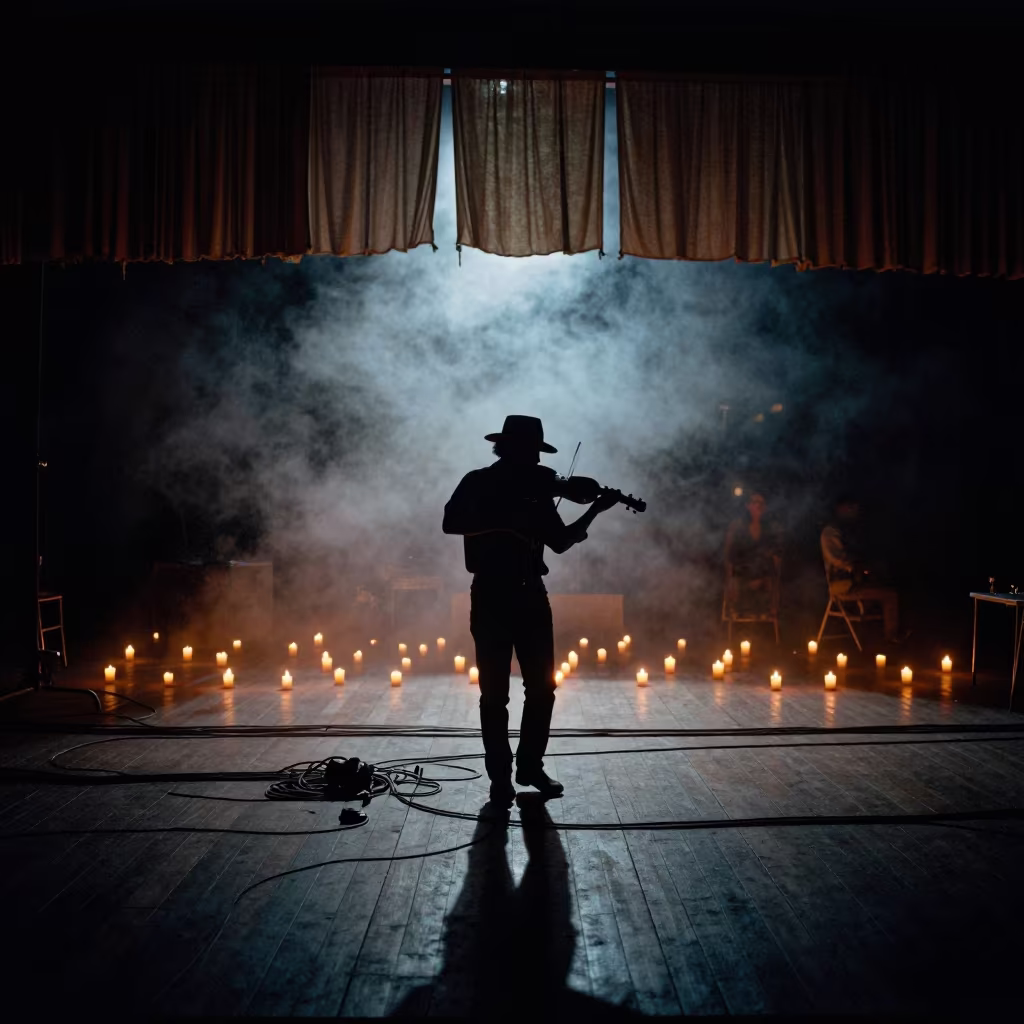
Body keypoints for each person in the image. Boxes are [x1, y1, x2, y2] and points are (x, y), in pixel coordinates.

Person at [443, 415, 619, 806]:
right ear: (508, 450)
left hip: (531, 595)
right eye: (529, 454)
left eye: (537, 456)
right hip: (490, 595)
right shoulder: (478, 481)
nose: (537, 464)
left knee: (542, 688)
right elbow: (449, 522)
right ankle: (500, 778)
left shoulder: (539, 492)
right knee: (494, 695)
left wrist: (595, 512)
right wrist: (506, 520)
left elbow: (559, 542)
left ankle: (529, 766)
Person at [820, 495, 900, 642]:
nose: (855, 512)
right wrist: (860, 566)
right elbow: (838, 559)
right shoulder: (831, 531)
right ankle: (891, 638)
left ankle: (871, 636)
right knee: (890, 595)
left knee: (885, 586)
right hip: (841, 584)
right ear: (841, 509)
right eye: (852, 508)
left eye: (856, 509)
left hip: (855, 581)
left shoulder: (850, 531)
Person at [724, 491, 781, 617]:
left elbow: (773, 550)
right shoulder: (738, 527)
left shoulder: (768, 528)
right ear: (748, 505)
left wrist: (768, 558)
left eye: (762, 503)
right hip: (742, 570)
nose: (759, 505)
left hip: (762, 570)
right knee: (738, 575)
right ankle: (738, 609)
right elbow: (732, 554)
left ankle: (766, 610)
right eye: (756, 502)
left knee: (770, 566)